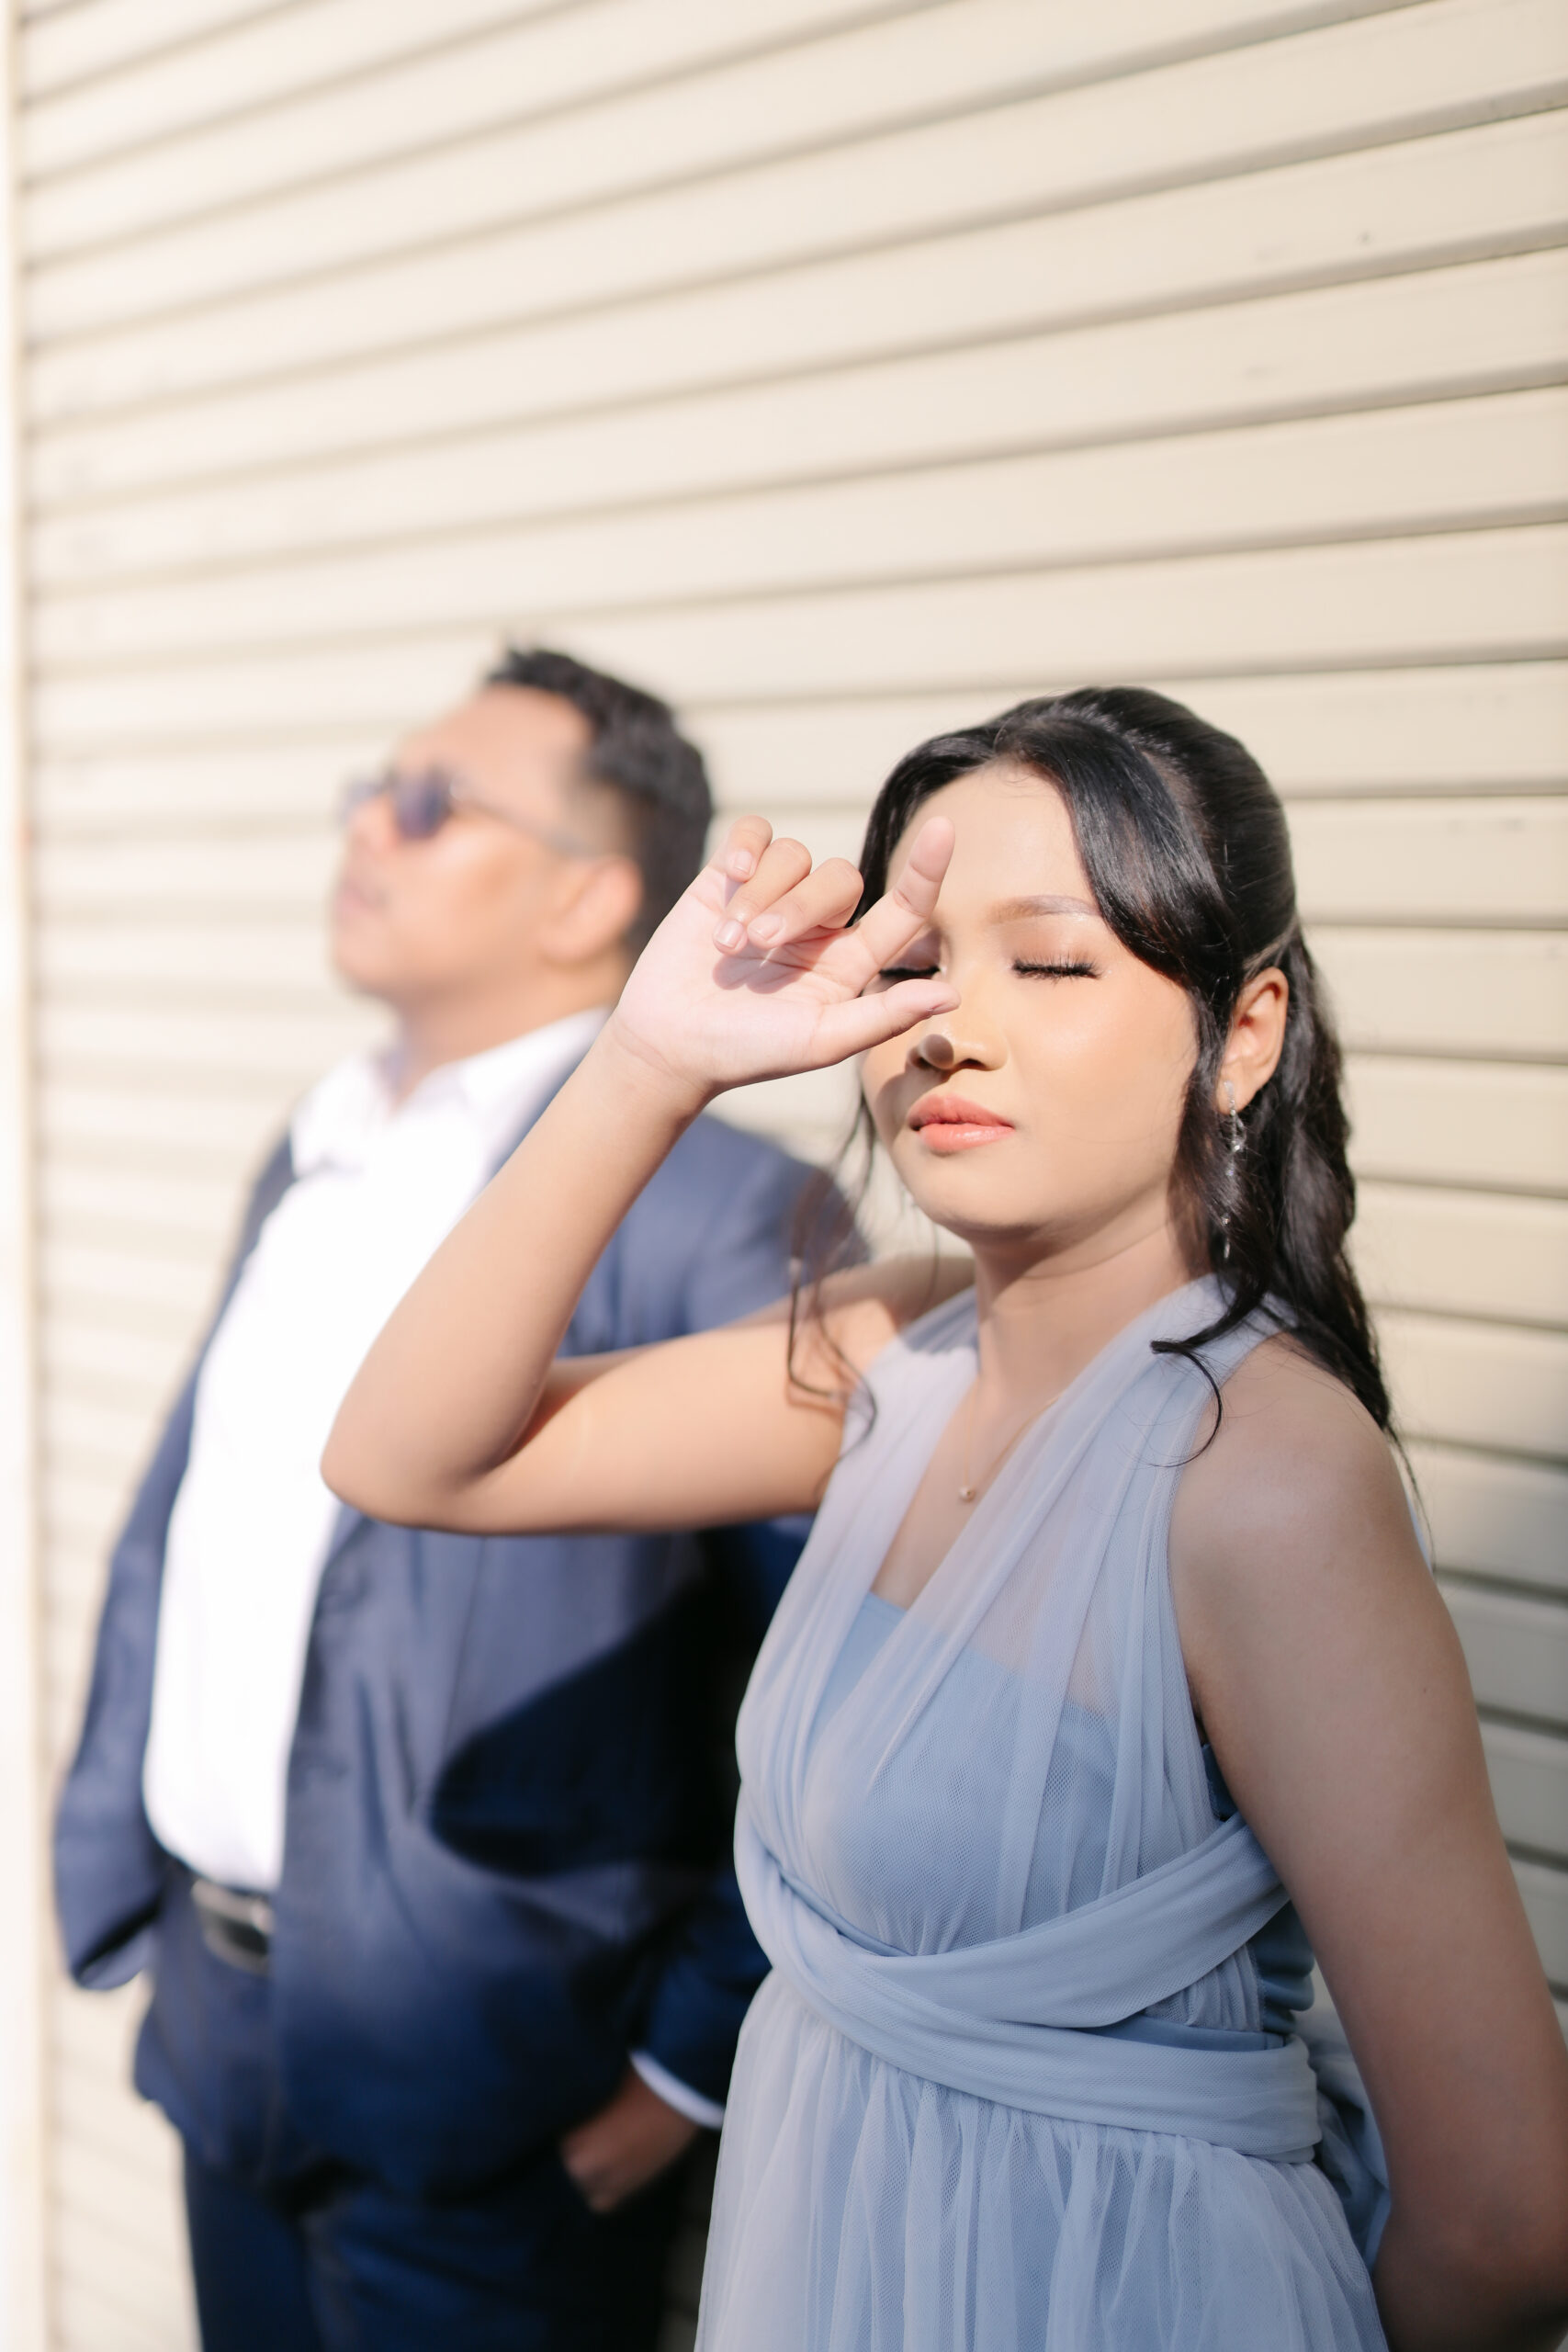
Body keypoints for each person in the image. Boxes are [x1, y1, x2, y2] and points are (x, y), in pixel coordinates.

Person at [325, 686, 1568, 2352]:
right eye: (913, 962)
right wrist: (647, 1063)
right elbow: (410, 1459)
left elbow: (1505, 2218)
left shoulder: (1261, 1477)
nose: (946, 1028)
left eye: (1049, 963)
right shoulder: (890, 1350)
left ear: (1244, 1033)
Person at [55, 647, 835, 2352]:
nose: (368, 828)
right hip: (225, 2037)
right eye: (373, 790)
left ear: (592, 898)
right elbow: (195, 1519)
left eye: (430, 804)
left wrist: (683, 2065)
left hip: (502, 2103)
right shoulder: (319, 1142)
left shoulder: (720, 1213)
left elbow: (831, 1676)